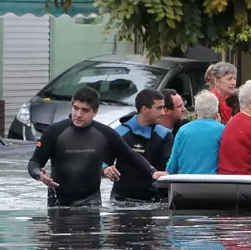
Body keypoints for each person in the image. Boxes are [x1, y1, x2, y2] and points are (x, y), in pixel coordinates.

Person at [28, 87, 165, 207]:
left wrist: (152, 172)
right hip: (58, 202)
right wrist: (39, 175)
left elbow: (130, 155)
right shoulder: (54, 132)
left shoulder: (105, 133)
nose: (78, 114)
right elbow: (34, 162)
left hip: (90, 202)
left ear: (95, 112)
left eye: (85, 110)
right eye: (75, 108)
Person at [107, 88, 174, 203]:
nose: (163, 113)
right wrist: (106, 168)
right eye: (159, 108)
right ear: (144, 109)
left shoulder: (165, 135)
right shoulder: (119, 132)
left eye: (163, 107)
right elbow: (103, 160)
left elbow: (171, 167)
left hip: (155, 201)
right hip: (121, 200)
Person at [166, 91, 225, 174]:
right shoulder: (222, 130)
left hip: (184, 183)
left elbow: (172, 167)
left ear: (196, 111)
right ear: (216, 112)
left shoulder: (183, 130)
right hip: (213, 183)